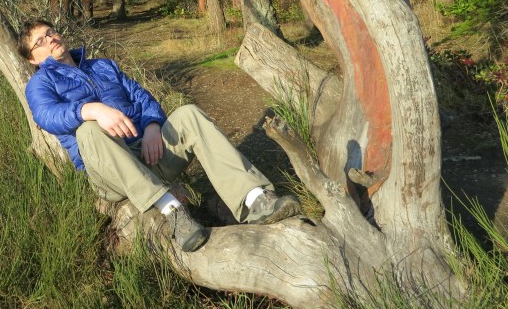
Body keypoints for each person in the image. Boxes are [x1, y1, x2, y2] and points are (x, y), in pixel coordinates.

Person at [19, 19, 301, 252]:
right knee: (89, 129)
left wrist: (153, 125)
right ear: (33, 58)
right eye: (39, 41)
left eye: (50, 32)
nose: (50, 39)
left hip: (148, 152)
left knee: (188, 114)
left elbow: (141, 97)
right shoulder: (39, 84)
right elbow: (47, 116)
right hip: (110, 174)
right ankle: (173, 213)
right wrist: (91, 109)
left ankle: (254, 199)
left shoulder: (102, 66)